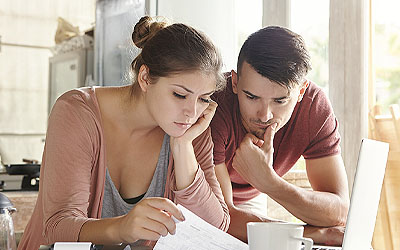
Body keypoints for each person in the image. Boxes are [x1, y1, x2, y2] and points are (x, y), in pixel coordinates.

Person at [19, 16, 229, 250]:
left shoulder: (190, 130)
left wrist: (182, 147)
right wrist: (122, 228)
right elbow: (57, 227)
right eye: (180, 95)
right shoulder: (76, 112)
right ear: (145, 78)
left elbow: (216, 228)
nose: (192, 111)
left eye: (204, 99)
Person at [210, 26, 349, 245]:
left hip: (251, 200)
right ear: (235, 83)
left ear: (301, 91)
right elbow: (220, 218)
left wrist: (269, 182)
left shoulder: (314, 108)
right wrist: (311, 235)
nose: (265, 115)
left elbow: (339, 211)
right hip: (203, 205)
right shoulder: (214, 105)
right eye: (251, 97)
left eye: (280, 101)